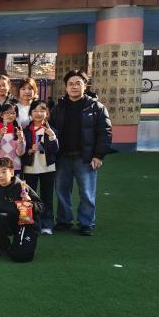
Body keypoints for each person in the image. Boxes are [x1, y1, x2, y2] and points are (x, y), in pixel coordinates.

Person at [51, 70, 112, 236]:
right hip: (62, 157)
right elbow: (51, 130)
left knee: (86, 192)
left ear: (85, 85)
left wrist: (98, 155)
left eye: (78, 83)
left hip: (85, 157)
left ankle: (86, 223)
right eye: (70, 84)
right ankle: (64, 220)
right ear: (66, 87)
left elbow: (105, 133)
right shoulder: (58, 108)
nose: (74, 87)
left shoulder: (96, 107)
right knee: (62, 191)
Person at [0, 157, 43, 262]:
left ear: (12, 172)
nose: (0, 175)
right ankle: (3, 245)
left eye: (4, 171)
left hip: (27, 224)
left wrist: (30, 204)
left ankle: (17, 246)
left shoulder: (22, 187)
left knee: (21, 257)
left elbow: (41, 207)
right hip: (12, 222)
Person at [22, 100, 59, 235]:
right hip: (30, 168)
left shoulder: (51, 130)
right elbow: (20, 151)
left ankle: (47, 224)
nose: (38, 114)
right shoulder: (25, 130)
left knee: (47, 197)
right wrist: (29, 150)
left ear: (47, 113)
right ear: (30, 113)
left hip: (47, 168)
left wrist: (52, 136)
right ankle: (28, 223)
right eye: (35, 111)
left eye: (42, 111)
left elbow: (55, 150)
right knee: (28, 196)